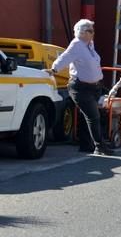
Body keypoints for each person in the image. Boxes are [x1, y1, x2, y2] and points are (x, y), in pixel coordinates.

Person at [46, 19, 113, 156]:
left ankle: (86, 145)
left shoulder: (89, 45)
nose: (93, 32)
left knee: (87, 116)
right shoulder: (77, 44)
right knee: (93, 116)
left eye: (92, 30)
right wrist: (54, 69)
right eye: (90, 30)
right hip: (80, 87)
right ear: (81, 32)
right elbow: (64, 57)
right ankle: (100, 146)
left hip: (93, 87)